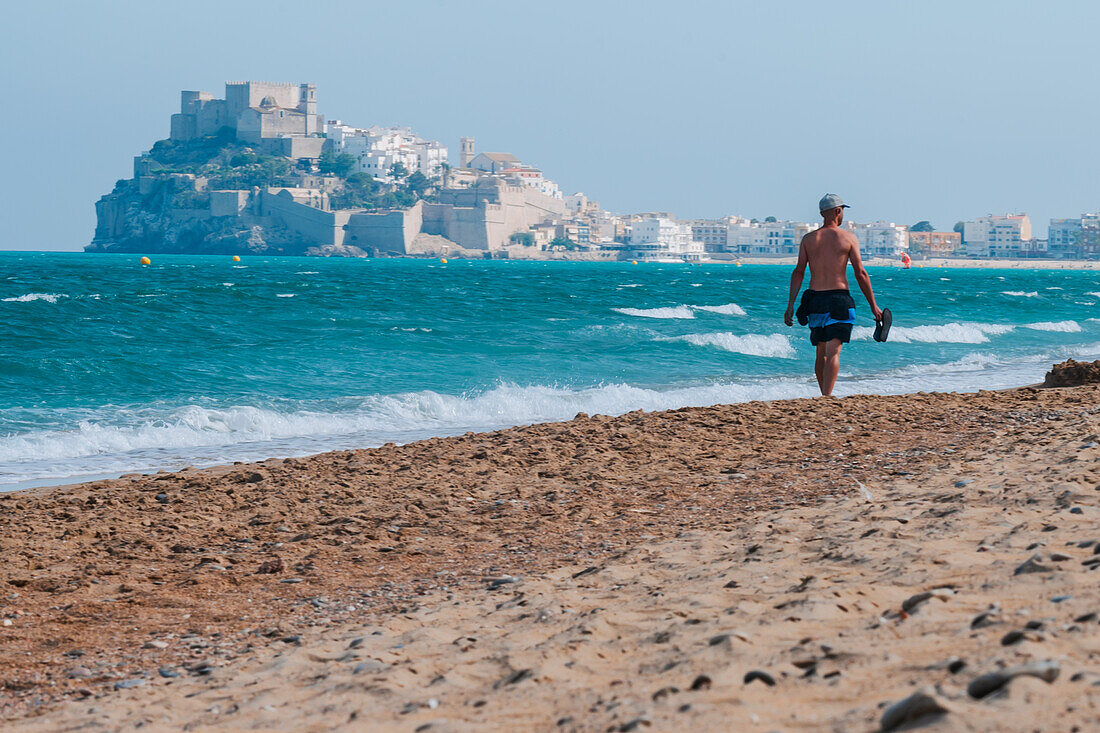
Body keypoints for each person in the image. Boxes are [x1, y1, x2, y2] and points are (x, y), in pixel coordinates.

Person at [784, 194, 883, 396]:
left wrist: (790, 305)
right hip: (839, 299)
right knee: (833, 351)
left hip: (815, 299)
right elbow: (860, 273)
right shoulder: (848, 238)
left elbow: (799, 272)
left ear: (822, 213)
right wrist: (873, 305)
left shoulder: (809, 239)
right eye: (842, 210)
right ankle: (827, 397)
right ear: (838, 211)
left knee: (820, 352)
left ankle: (823, 395)